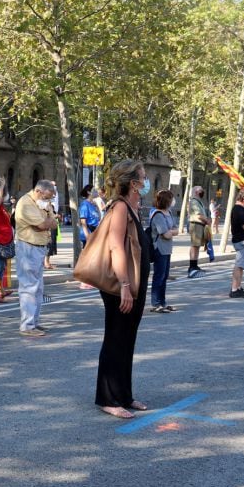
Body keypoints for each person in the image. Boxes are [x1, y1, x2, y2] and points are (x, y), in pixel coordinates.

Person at [94, 160, 152, 419]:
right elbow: (116, 247)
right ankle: (107, 398)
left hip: (133, 284)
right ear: (133, 182)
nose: (146, 180)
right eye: (143, 176)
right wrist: (125, 286)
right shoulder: (119, 207)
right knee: (116, 338)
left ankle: (124, 394)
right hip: (121, 285)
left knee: (127, 339)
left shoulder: (132, 207)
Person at [14, 180, 57, 336]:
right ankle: (27, 325)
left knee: (38, 289)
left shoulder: (41, 203)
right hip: (28, 247)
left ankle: (34, 322)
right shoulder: (26, 203)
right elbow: (43, 225)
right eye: (47, 197)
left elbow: (53, 222)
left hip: (39, 248)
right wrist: (48, 220)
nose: (49, 201)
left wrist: (49, 218)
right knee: (29, 287)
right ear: (39, 191)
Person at [149, 189, 179, 312]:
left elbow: (175, 230)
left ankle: (162, 302)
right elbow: (165, 234)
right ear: (167, 200)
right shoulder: (158, 215)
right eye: (171, 198)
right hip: (159, 248)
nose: (173, 201)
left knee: (164, 276)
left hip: (167, 248)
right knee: (159, 276)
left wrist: (170, 231)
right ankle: (156, 303)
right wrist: (170, 231)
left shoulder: (169, 213)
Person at [187, 186, 211, 278]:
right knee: (194, 246)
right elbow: (199, 215)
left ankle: (195, 264)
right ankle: (192, 266)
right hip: (196, 224)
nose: (202, 191)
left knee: (197, 246)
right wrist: (207, 220)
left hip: (200, 225)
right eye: (201, 190)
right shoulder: (194, 201)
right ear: (196, 192)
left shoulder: (198, 202)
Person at [78, 184, 100, 248]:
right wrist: (87, 236)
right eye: (94, 190)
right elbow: (83, 222)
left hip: (95, 231)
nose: (96, 192)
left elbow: (99, 218)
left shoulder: (93, 204)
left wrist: (97, 207)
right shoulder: (85, 205)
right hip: (89, 231)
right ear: (89, 192)